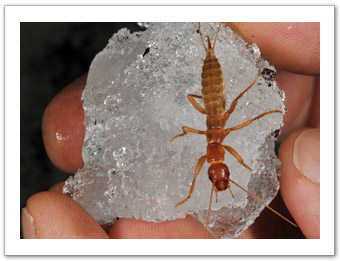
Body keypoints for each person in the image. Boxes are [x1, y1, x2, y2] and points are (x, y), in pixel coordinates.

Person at [21, 22, 320, 239]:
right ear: (224, 166)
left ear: (213, 167)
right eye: (224, 172)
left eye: (216, 174)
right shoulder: (215, 147)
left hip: (212, 101)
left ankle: (209, 40)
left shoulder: (217, 147)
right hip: (213, 100)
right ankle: (208, 40)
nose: (220, 173)